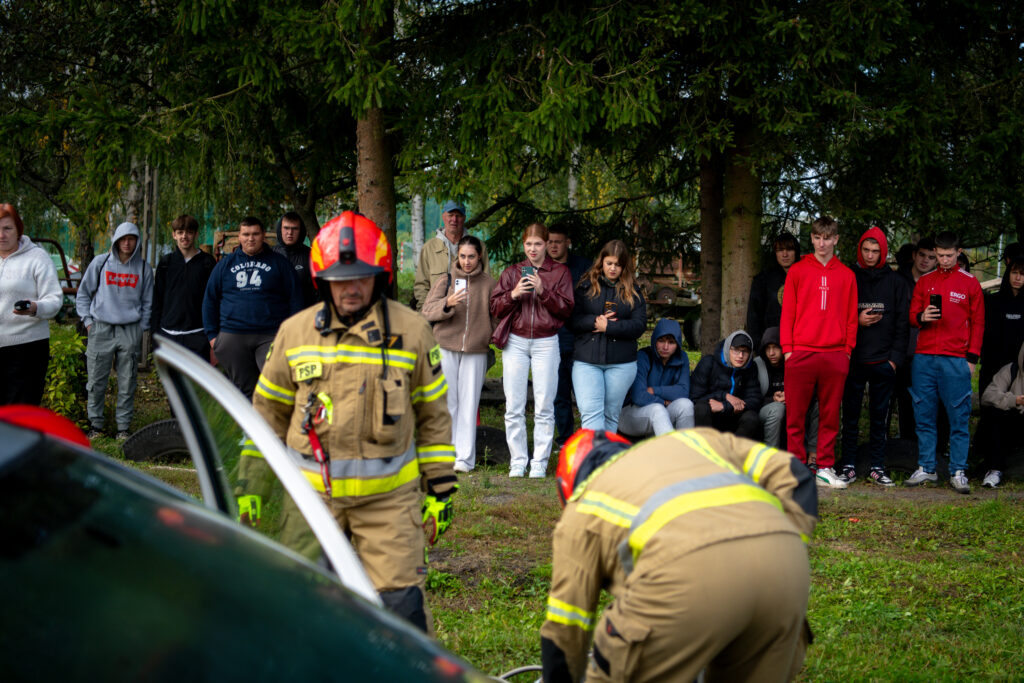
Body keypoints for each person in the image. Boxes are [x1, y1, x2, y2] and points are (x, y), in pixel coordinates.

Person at [253, 211, 456, 632]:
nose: (350, 288)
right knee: (301, 612)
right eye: (339, 279)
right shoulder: (294, 333)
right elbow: (265, 417)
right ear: (322, 280)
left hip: (389, 504)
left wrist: (440, 487)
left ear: (379, 278)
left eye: (361, 278)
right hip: (311, 502)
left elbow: (433, 417)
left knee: (404, 614)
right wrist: (250, 485)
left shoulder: (413, 332)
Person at [541, 428, 817, 683]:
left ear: (568, 487)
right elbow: (794, 472)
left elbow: (566, 625)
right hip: (785, 569)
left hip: (684, 582)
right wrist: (788, 546)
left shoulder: (581, 508)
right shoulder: (695, 439)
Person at [490, 222, 574, 478]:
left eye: (538, 244)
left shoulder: (559, 272)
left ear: (547, 244)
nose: (533, 249)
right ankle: (518, 460)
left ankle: (539, 461)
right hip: (516, 341)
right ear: (523, 245)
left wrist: (542, 290)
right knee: (513, 404)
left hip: (546, 341)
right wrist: (513, 294)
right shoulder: (512, 273)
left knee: (544, 405)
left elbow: (566, 309)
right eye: (529, 244)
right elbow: (495, 308)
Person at [779, 216, 858, 489]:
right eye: (817, 238)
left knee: (830, 415)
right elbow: (788, 313)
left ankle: (824, 467)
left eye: (827, 238)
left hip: (835, 354)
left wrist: (847, 351)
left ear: (836, 239)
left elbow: (851, 317)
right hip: (801, 352)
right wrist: (788, 351)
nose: (822, 243)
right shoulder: (798, 271)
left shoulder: (847, 275)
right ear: (811, 238)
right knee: (795, 415)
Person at [904, 231, 984, 494]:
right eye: (940, 255)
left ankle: (958, 470)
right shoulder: (925, 281)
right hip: (924, 357)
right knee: (923, 415)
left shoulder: (970, 283)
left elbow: (979, 323)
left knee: (958, 417)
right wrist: (922, 316)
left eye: (949, 255)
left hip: (956, 359)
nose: (944, 260)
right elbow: (911, 317)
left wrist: (971, 359)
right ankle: (927, 467)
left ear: (958, 252)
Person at [837, 227, 910, 487]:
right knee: (850, 417)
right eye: (866, 250)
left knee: (881, 418)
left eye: (875, 251)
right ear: (860, 250)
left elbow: (902, 323)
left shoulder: (896, 282)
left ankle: (878, 466)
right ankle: (848, 465)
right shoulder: (848, 277)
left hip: (883, 362)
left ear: (883, 252)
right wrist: (856, 322)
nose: (870, 255)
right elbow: (837, 315)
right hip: (854, 359)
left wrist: (894, 360)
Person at [202, 216, 303, 400]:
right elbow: (210, 300)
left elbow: (296, 299)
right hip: (233, 335)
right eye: (246, 234)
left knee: (275, 388)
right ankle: (248, 420)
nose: (251, 238)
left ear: (263, 235)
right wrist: (213, 337)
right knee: (244, 392)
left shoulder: (280, 263)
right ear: (239, 237)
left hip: (270, 335)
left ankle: (272, 418)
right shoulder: (225, 265)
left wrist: (292, 334)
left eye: (255, 234)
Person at [422, 235, 497, 473]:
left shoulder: (489, 284)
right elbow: (427, 311)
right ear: (457, 256)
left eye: (471, 256)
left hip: (476, 349)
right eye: (463, 256)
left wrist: (490, 336)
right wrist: (447, 302)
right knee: (448, 402)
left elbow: (496, 317)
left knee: (469, 403)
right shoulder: (446, 279)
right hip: (445, 346)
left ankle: (464, 459)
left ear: (479, 256)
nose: (466, 261)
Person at [75, 221, 154, 439]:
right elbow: (83, 293)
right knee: (96, 380)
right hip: (100, 328)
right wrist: (88, 322)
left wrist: (141, 328)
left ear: (137, 242)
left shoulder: (144, 269)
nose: (127, 243)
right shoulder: (101, 263)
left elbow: (148, 303)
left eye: (131, 239)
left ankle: (123, 428)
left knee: (127, 381)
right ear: (116, 240)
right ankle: (96, 426)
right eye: (123, 239)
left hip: (130, 330)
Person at [569, 240, 646, 433]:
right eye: (609, 263)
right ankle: (598, 452)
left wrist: (610, 327)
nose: (613, 268)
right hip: (587, 361)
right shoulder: (586, 286)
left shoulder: (633, 291)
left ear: (624, 266)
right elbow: (572, 320)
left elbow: (639, 326)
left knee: (611, 415)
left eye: (617, 265)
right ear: (601, 262)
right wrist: (594, 322)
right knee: (591, 414)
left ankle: (605, 452)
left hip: (621, 363)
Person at [0, 203, 63, 406]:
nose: (1, 235)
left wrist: (35, 307)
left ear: (19, 229)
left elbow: (55, 299)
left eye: (7, 228)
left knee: (21, 413)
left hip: (27, 349)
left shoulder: (37, 258)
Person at [547, 224, 592, 446]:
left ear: (568, 242)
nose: (553, 246)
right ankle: (564, 440)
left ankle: (587, 439)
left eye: (558, 241)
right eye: (549, 242)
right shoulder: (541, 268)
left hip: (579, 340)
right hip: (551, 340)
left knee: (585, 396)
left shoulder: (584, 267)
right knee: (559, 395)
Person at [151, 214, 217, 361]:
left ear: (196, 234)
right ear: (174, 235)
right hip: (168, 336)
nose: (184, 236)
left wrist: (212, 338)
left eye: (189, 232)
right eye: (180, 232)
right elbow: (157, 301)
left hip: (198, 336)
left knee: (197, 377)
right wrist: (155, 336)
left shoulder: (207, 263)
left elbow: (215, 301)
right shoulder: (166, 263)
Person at [891, 237, 936, 438]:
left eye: (931, 257)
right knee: (896, 400)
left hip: (925, 352)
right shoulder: (897, 280)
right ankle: (895, 444)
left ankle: (918, 445)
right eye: (922, 255)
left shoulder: (936, 283)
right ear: (914, 255)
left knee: (922, 402)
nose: (925, 260)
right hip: (898, 351)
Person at [619, 318, 694, 437]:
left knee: (686, 405)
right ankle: (666, 448)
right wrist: (664, 401)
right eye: (661, 341)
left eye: (671, 342)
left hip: (661, 413)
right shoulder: (643, 356)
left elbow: (683, 391)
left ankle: (686, 447)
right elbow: (638, 396)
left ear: (678, 344)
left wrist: (654, 390)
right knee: (658, 409)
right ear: (654, 340)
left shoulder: (682, 358)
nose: (665, 347)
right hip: (631, 415)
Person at [753, 327, 819, 456]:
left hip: (795, 408)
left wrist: (793, 397)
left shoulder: (795, 362)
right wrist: (772, 399)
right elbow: (751, 397)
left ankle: (813, 455)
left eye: (775, 347)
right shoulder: (758, 365)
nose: (771, 353)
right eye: (768, 348)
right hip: (767, 411)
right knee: (778, 408)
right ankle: (770, 457)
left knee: (818, 405)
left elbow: (812, 390)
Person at [413, 200, 489, 310]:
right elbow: (421, 286)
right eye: (450, 215)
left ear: (464, 218)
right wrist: (426, 312)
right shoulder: (429, 248)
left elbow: (487, 282)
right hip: (437, 313)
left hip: (469, 313)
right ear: (443, 216)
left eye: (458, 216)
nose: (454, 219)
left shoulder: (479, 246)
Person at [690, 330, 762, 438]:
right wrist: (724, 396)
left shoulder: (750, 368)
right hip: (711, 417)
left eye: (745, 351)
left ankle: (733, 448)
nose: (740, 356)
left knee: (751, 417)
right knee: (701, 408)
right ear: (728, 349)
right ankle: (706, 447)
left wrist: (725, 406)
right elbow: (694, 398)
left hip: (734, 416)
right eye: (736, 350)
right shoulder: (709, 363)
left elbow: (755, 400)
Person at [978, 340, 1024, 488]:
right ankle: (994, 470)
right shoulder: (1012, 370)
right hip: (1015, 424)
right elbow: (988, 395)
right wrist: (1014, 400)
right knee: (995, 414)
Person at [746, 232, 800, 345]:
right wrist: (758, 345)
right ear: (775, 253)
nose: (785, 254)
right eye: (780, 250)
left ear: (796, 251)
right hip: (771, 345)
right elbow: (753, 317)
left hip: (800, 341)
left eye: (789, 249)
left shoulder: (806, 277)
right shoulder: (763, 280)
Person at [273, 211, 319, 308]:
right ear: (280, 229)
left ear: (301, 231)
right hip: (276, 313)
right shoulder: (270, 255)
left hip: (303, 312)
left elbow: (319, 290)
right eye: (286, 228)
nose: (290, 233)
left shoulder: (311, 256)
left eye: (295, 229)